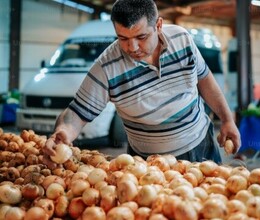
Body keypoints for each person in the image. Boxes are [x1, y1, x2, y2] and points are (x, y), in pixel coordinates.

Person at [43, 0, 241, 169]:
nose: (132, 47)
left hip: (200, 145)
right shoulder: (106, 67)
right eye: (123, 38)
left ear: (158, 25)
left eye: (141, 37)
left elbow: (204, 79)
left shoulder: (182, 39)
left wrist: (226, 119)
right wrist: (63, 132)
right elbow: (76, 113)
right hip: (146, 165)